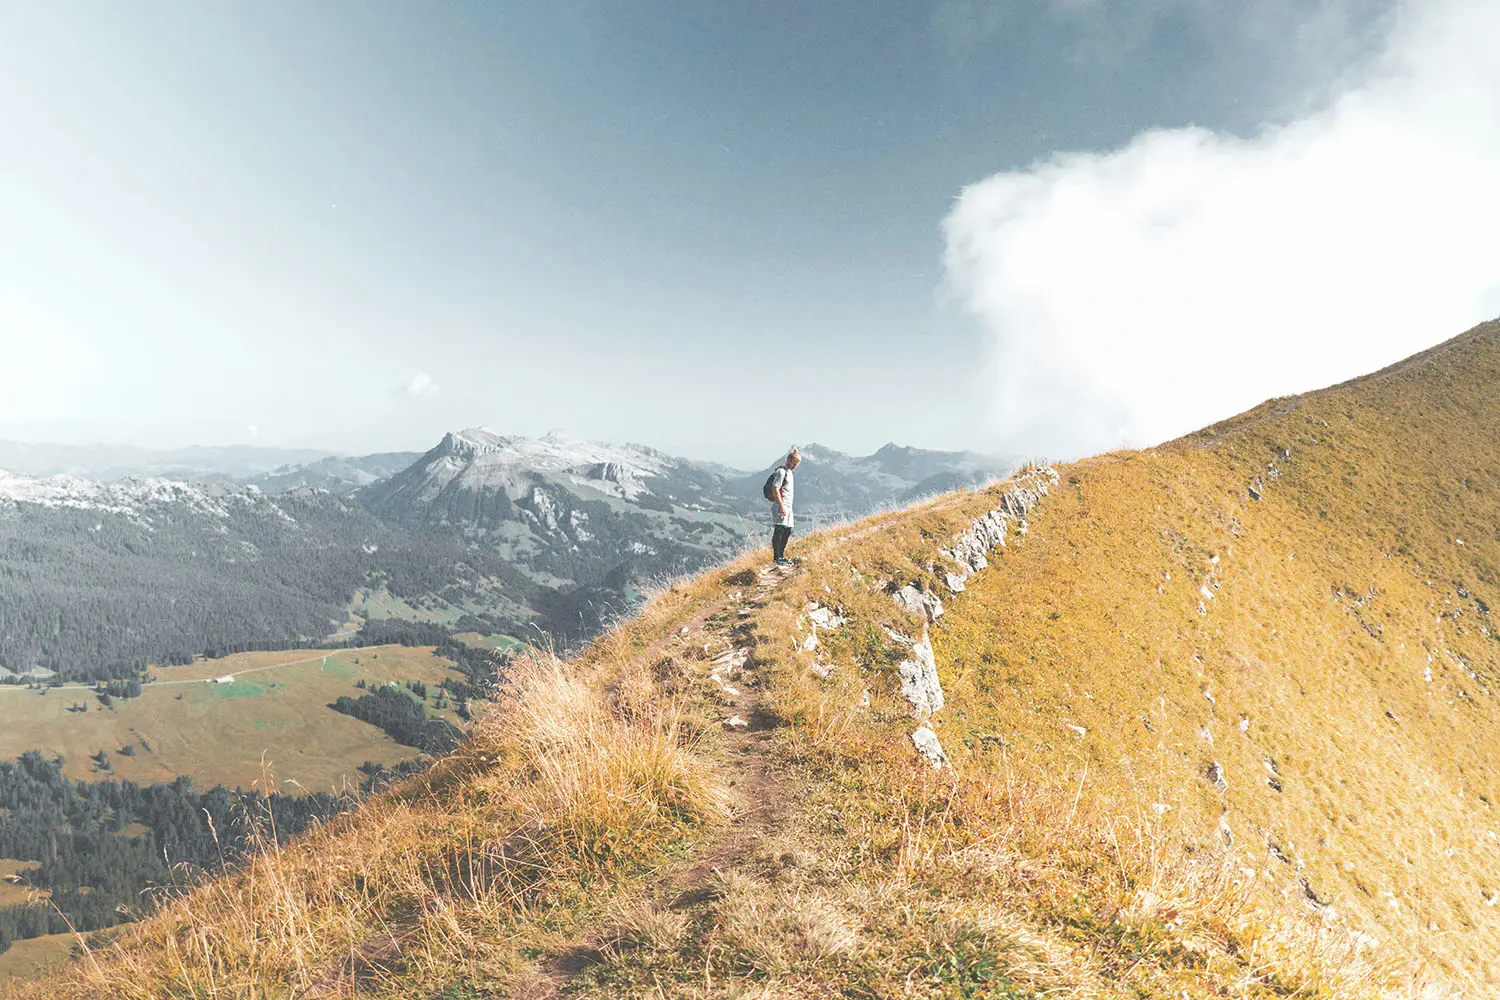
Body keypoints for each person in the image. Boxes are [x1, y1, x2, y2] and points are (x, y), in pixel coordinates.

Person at [768, 447, 800, 565]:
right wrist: (781, 506)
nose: (795, 466)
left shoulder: (790, 473)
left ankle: (781, 556)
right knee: (779, 530)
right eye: (794, 463)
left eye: (797, 464)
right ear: (789, 460)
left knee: (787, 531)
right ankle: (776, 558)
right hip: (780, 506)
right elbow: (775, 489)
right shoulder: (781, 472)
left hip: (788, 506)